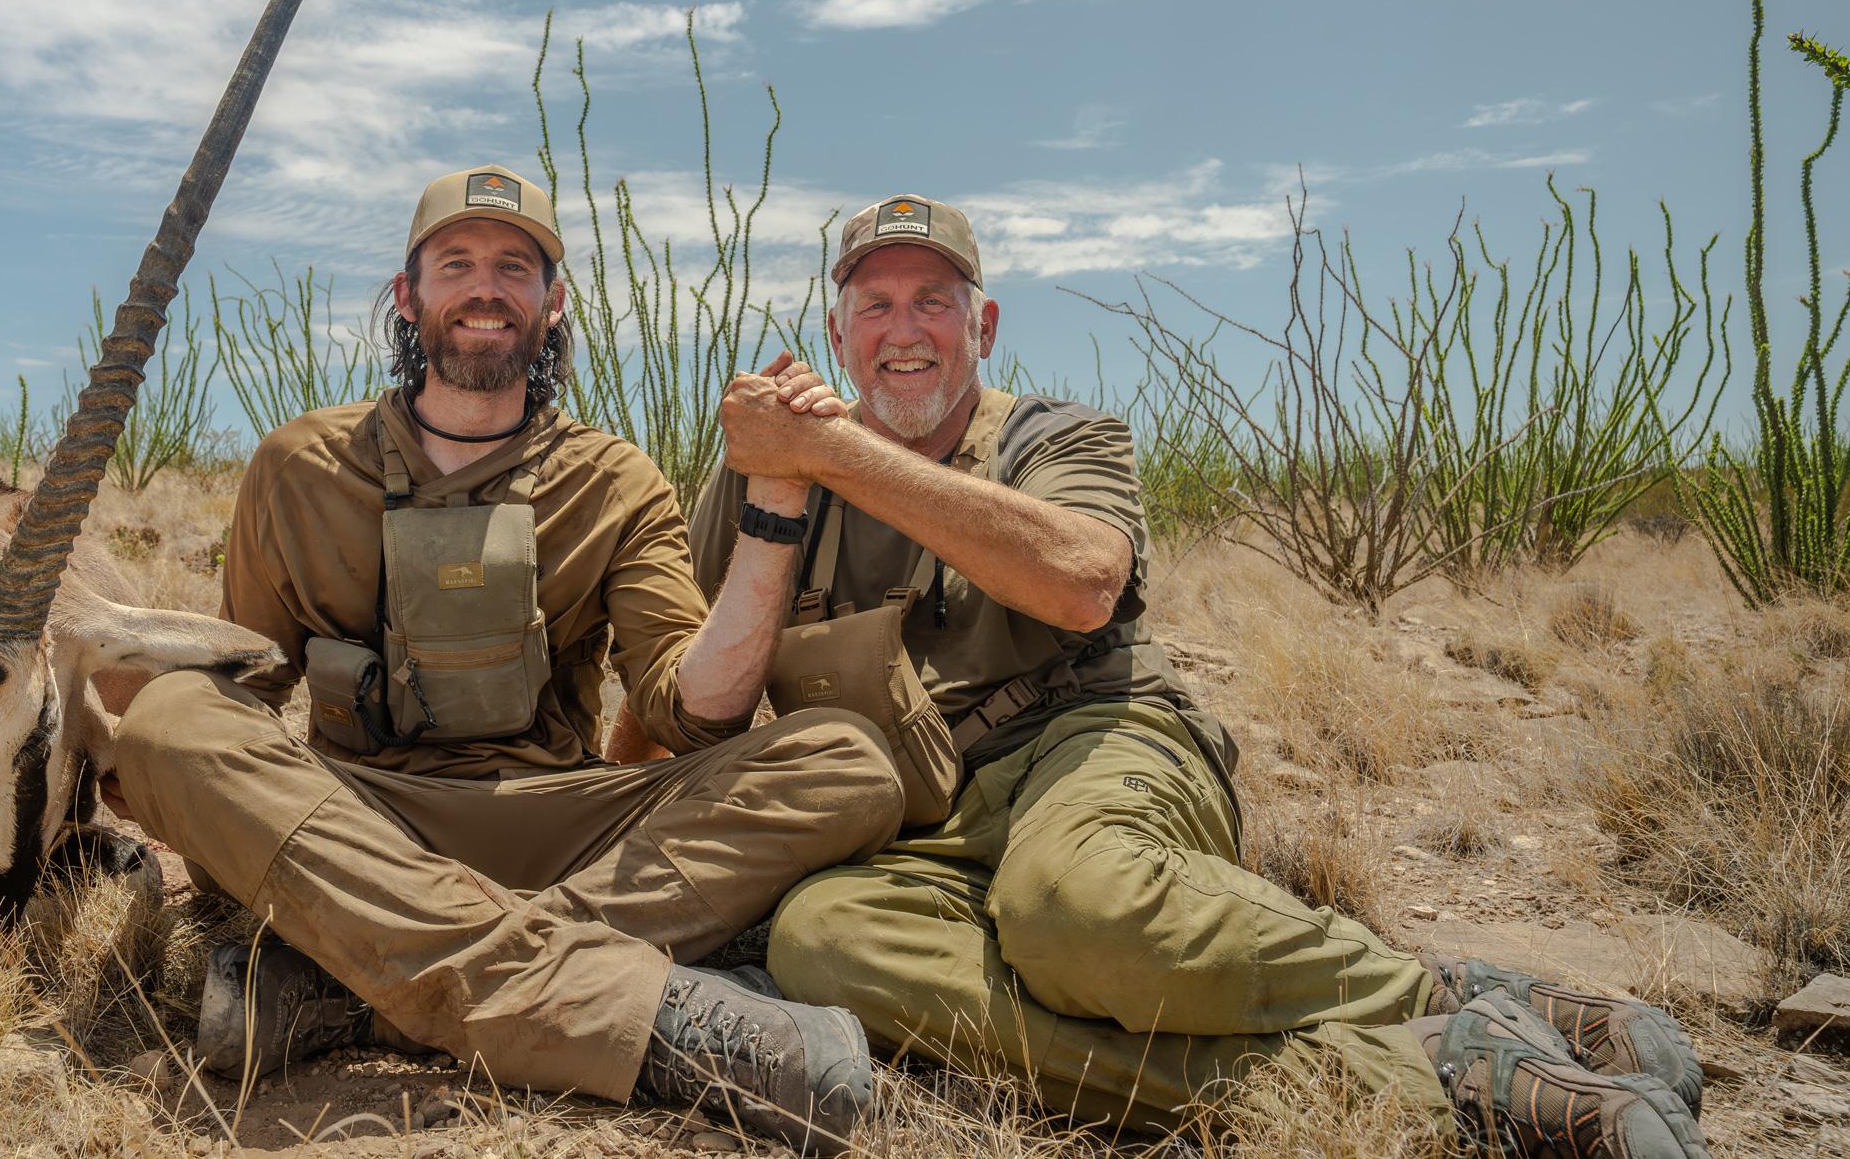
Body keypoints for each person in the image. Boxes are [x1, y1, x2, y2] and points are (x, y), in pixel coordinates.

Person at [678, 193, 1713, 1159]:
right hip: (918, 808)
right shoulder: (763, 464)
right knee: (823, 941)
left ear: (981, 326)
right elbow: (681, 680)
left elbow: (1083, 583)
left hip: (1090, 737)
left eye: (933, 302)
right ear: (836, 334)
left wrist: (837, 453)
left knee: (1074, 909)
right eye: (875, 305)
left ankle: (1424, 986)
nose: (904, 330)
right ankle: (1420, 1065)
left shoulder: (1058, 436)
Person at [103, 165, 902, 1154]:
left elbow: (700, 713)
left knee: (847, 761)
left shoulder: (615, 477)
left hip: (561, 825)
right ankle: (622, 1004)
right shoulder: (294, 466)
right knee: (170, 722)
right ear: (409, 294)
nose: (485, 287)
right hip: (358, 819)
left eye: (514, 267)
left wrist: (776, 497)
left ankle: (354, 989)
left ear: (552, 301)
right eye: (457, 263)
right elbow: (250, 691)